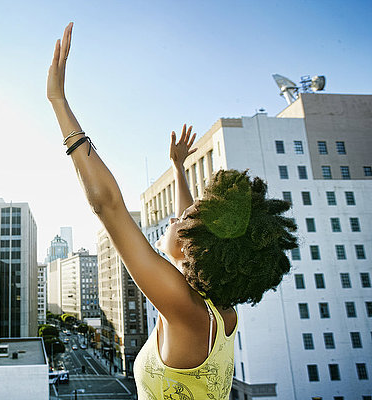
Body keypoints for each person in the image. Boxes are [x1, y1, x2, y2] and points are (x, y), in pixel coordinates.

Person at [47, 23, 298, 399]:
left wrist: (58, 101)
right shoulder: (216, 305)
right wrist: (179, 169)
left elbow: (108, 205)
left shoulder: (186, 309)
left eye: (185, 221)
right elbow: (190, 233)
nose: (177, 217)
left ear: (195, 246)